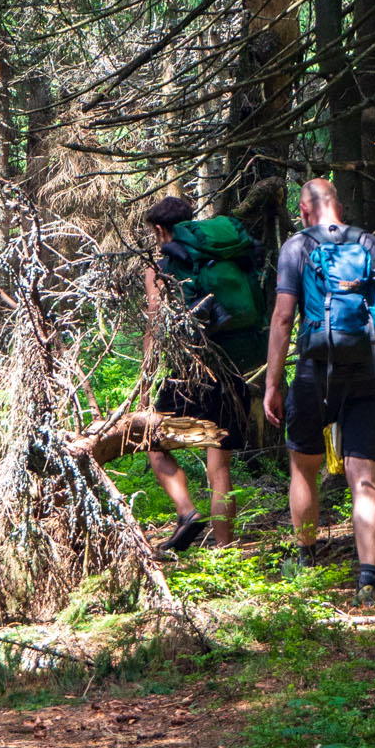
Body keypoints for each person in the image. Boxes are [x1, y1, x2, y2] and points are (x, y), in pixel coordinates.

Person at [263, 179, 375, 604]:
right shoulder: (372, 245)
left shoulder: (296, 247)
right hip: (366, 369)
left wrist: (273, 384)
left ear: (305, 211)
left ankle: (306, 560)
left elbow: (282, 317)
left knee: (303, 466)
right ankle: (368, 579)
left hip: (314, 370)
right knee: (364, 477)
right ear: (339, 207)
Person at [141, 195, 267, 552]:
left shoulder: (163, 267)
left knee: (152, 442)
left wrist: (147, 380)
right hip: (232, 370)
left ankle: (187, 512)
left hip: (188, 376)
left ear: (162, 229)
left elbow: (156, 325)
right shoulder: (222, 258)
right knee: (220, 469)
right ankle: (225, 552)